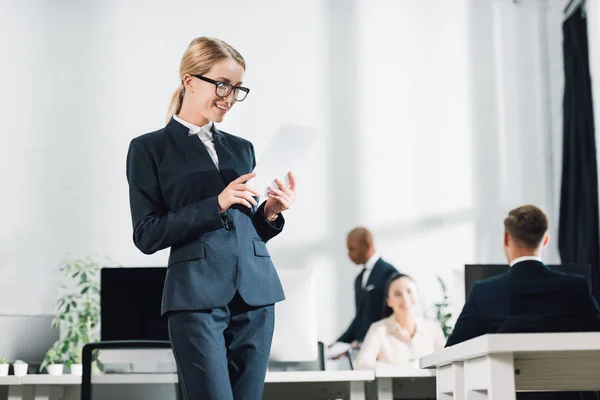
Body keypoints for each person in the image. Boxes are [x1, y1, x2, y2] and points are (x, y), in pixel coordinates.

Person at [126, 37, 296, 400]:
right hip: (195, 298)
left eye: (237, 88)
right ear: (190, 81)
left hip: (256, 295)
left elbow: (247, 229)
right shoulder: (149, 148)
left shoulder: (242, 147)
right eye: (222, 84)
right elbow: (146, 234)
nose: (229, 96)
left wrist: (270, 213)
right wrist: (216, 203)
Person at [446, 205, 600, 400]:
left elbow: (452, 351)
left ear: (506, 239)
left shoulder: (483, 292)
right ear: (545, 240)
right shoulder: (576, 287)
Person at [329, 227, 398, 357]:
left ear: (368, 246)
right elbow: (360, 318)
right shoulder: (359, 279)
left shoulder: (389, 273)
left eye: (352, 249)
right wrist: (339, 343)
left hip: (383, 350)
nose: (348, 255)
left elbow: (392, 315)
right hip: (363, 351)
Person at [354, 273, 445, 369]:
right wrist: (400, 369)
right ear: (389, 301)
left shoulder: (433, 328)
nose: (405, 299)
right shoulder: (378, 329)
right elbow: (362, 364)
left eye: (409, 292)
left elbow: (446, 362)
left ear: (418, 295)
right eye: (397, 294)